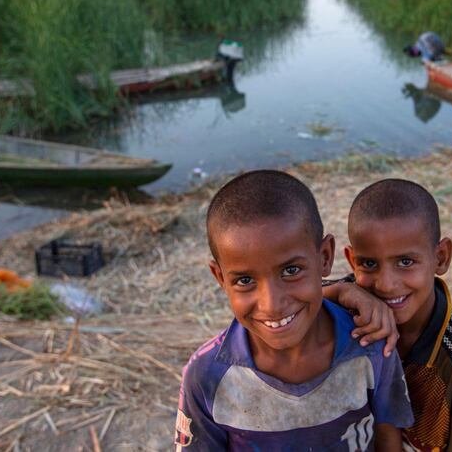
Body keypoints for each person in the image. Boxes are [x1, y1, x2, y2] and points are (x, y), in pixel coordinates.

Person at [175, 170, 414, 451]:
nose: (271, 304)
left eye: (290, 271)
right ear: (220, 278)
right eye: (245, 280)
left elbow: (389, 436)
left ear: (325, 257)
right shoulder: (207, 374)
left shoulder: (371, 346)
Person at [323, 179, 452, 452]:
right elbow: (292, 302)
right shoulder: (345, 303)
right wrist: (341, 292)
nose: (386, 284)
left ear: (440, 257)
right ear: (351, 259)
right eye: (369, 264)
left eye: (406, 262)